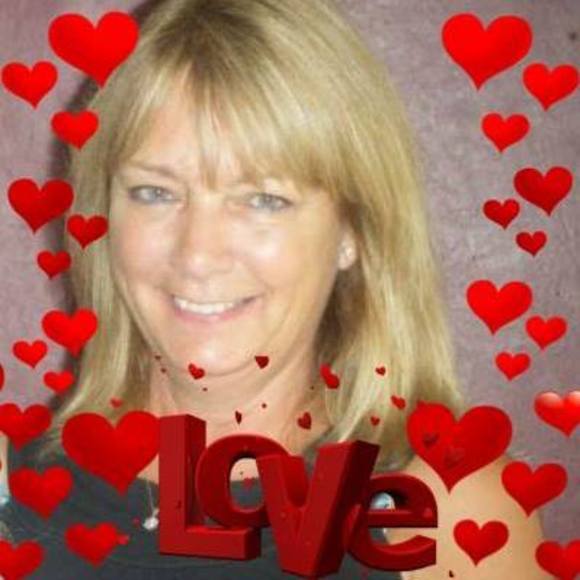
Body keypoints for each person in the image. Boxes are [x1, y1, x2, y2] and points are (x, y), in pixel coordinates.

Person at [0, 0, 547, 578]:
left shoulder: (451, 514)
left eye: (263, 199)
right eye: (155, 193)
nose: (199, 254)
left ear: (353, 231)